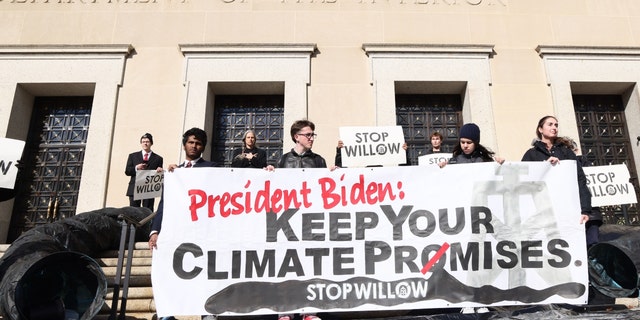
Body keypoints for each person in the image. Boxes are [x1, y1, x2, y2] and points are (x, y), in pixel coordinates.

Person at [148, 127, 218, 320]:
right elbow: (164, 205)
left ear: (203, 146)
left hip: (203, 233)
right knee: (169, 273)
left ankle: (208, 314)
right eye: (191, 142)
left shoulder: (212, 168)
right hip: (176, 234)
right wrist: (154, 230)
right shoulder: (174, 173)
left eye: (198, 143)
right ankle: (167, 314)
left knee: (205, 275)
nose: (194, 146)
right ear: (184, 144)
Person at [266, 119, 325, 320]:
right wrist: (269, 176)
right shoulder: (283, 160)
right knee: (287, 265)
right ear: (296, 137)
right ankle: (285, 312)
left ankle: (309, 311)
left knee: (312, 264)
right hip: (287, 220)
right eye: (308, 135)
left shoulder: (318, 160)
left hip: (310, 219)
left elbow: (325, 187)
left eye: (312, 135)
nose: (311, 139)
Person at [521, 115, 591, 226]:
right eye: (550, 124)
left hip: (566, 207)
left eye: (556, 125)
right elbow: (523, 180)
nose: (554, 127)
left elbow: (580, 180)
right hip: (542, 210)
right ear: (540, 129)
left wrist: (585, 210)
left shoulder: (566, 152)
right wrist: (545, 166)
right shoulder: (531, 154)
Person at [125, 133, 163, 211]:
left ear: (151, 143)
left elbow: (158, 174)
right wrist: (136, 168)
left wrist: (160, 171)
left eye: (147, 141)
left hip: (148, 188)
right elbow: (127, 171)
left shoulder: (158, 158)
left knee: (148, 211)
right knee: (133, 212)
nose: (145, 143)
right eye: (143, 141)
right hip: (135, 187)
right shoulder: (133, 156)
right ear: (141, 143)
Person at [439, 123, 504, 167]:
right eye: (462, 142)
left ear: (476, 143)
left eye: (469, 142)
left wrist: (499, 164)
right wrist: (442, 167)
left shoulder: (485, 160)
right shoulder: (454, 161)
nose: (465, 146)